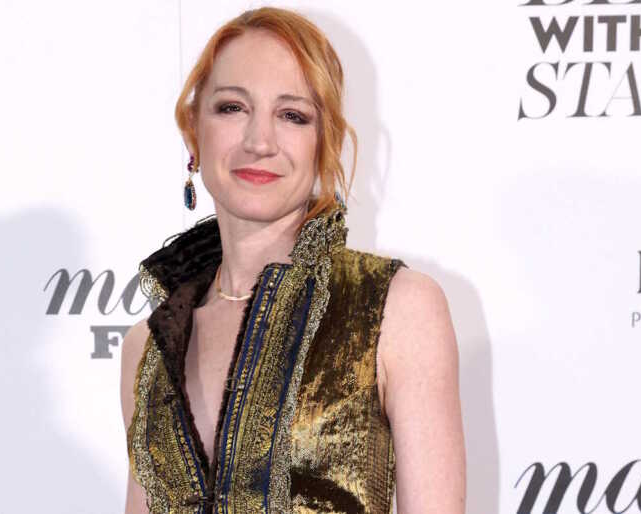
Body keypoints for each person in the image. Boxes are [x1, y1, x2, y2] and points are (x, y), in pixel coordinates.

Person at [120, 6, 465, 514]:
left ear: (324, 142)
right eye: (232, 108)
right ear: (194, 130)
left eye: (292, 115)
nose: (259, 142)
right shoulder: (147, 348)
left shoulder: (396, 307)